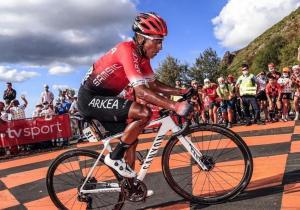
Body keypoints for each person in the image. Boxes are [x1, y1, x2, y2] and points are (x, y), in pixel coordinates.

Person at [77, 12, 192, 183]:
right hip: (90, 99)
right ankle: (114, 157)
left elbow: (153, 85)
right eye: (157, 41)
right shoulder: (126, 50)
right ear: (141, 39)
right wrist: (175, 106)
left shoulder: (142, 57)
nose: (160, 47)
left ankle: (129, 186)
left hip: (104, 98)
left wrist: (180, 92)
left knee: (131, 140)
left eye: (162, 41)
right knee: (143, 112)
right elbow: (142, 92)